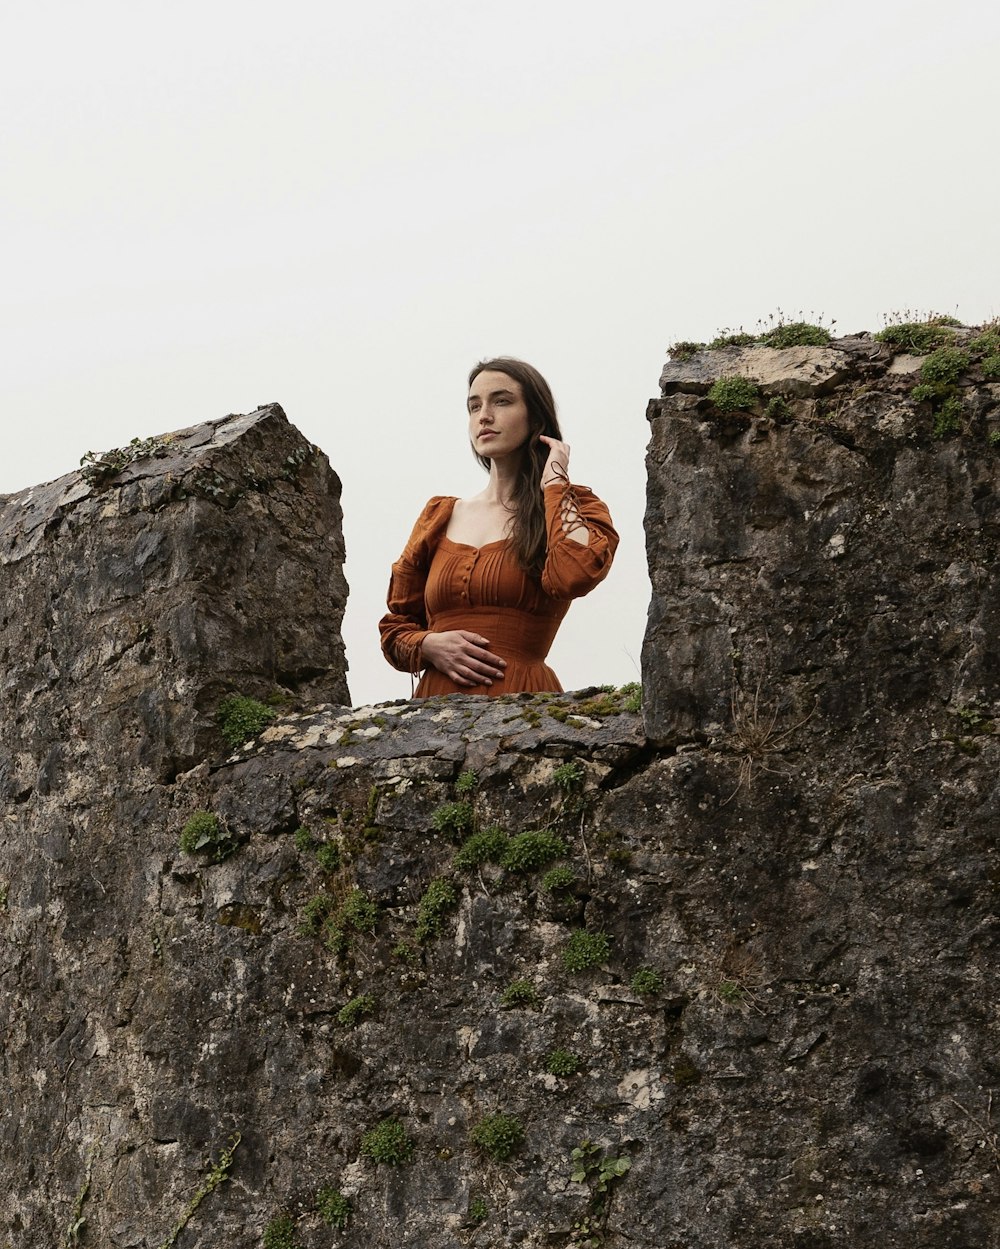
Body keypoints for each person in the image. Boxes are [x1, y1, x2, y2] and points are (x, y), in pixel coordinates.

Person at [379, 357, 618, 697]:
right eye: (473, 407)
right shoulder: (438, 516)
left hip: (522, 703)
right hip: (432, 715)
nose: (484, 416)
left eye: (501, 401)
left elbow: (574, 574)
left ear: (535, 417)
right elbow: (395, 630)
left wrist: (554, 483)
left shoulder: (573, 506)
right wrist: (428, 644)